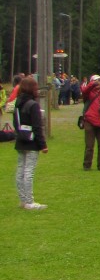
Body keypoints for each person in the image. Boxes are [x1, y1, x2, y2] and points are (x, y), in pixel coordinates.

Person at [11, 75, 48, 210]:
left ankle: (23, 200)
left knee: (20, 170)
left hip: (21, 139)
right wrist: (43, 144)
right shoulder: (33, 105)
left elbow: (16, 122)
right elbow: (37, 126)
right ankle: (30, 201)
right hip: (32, 141)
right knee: (29, 171)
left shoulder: (18, 103)